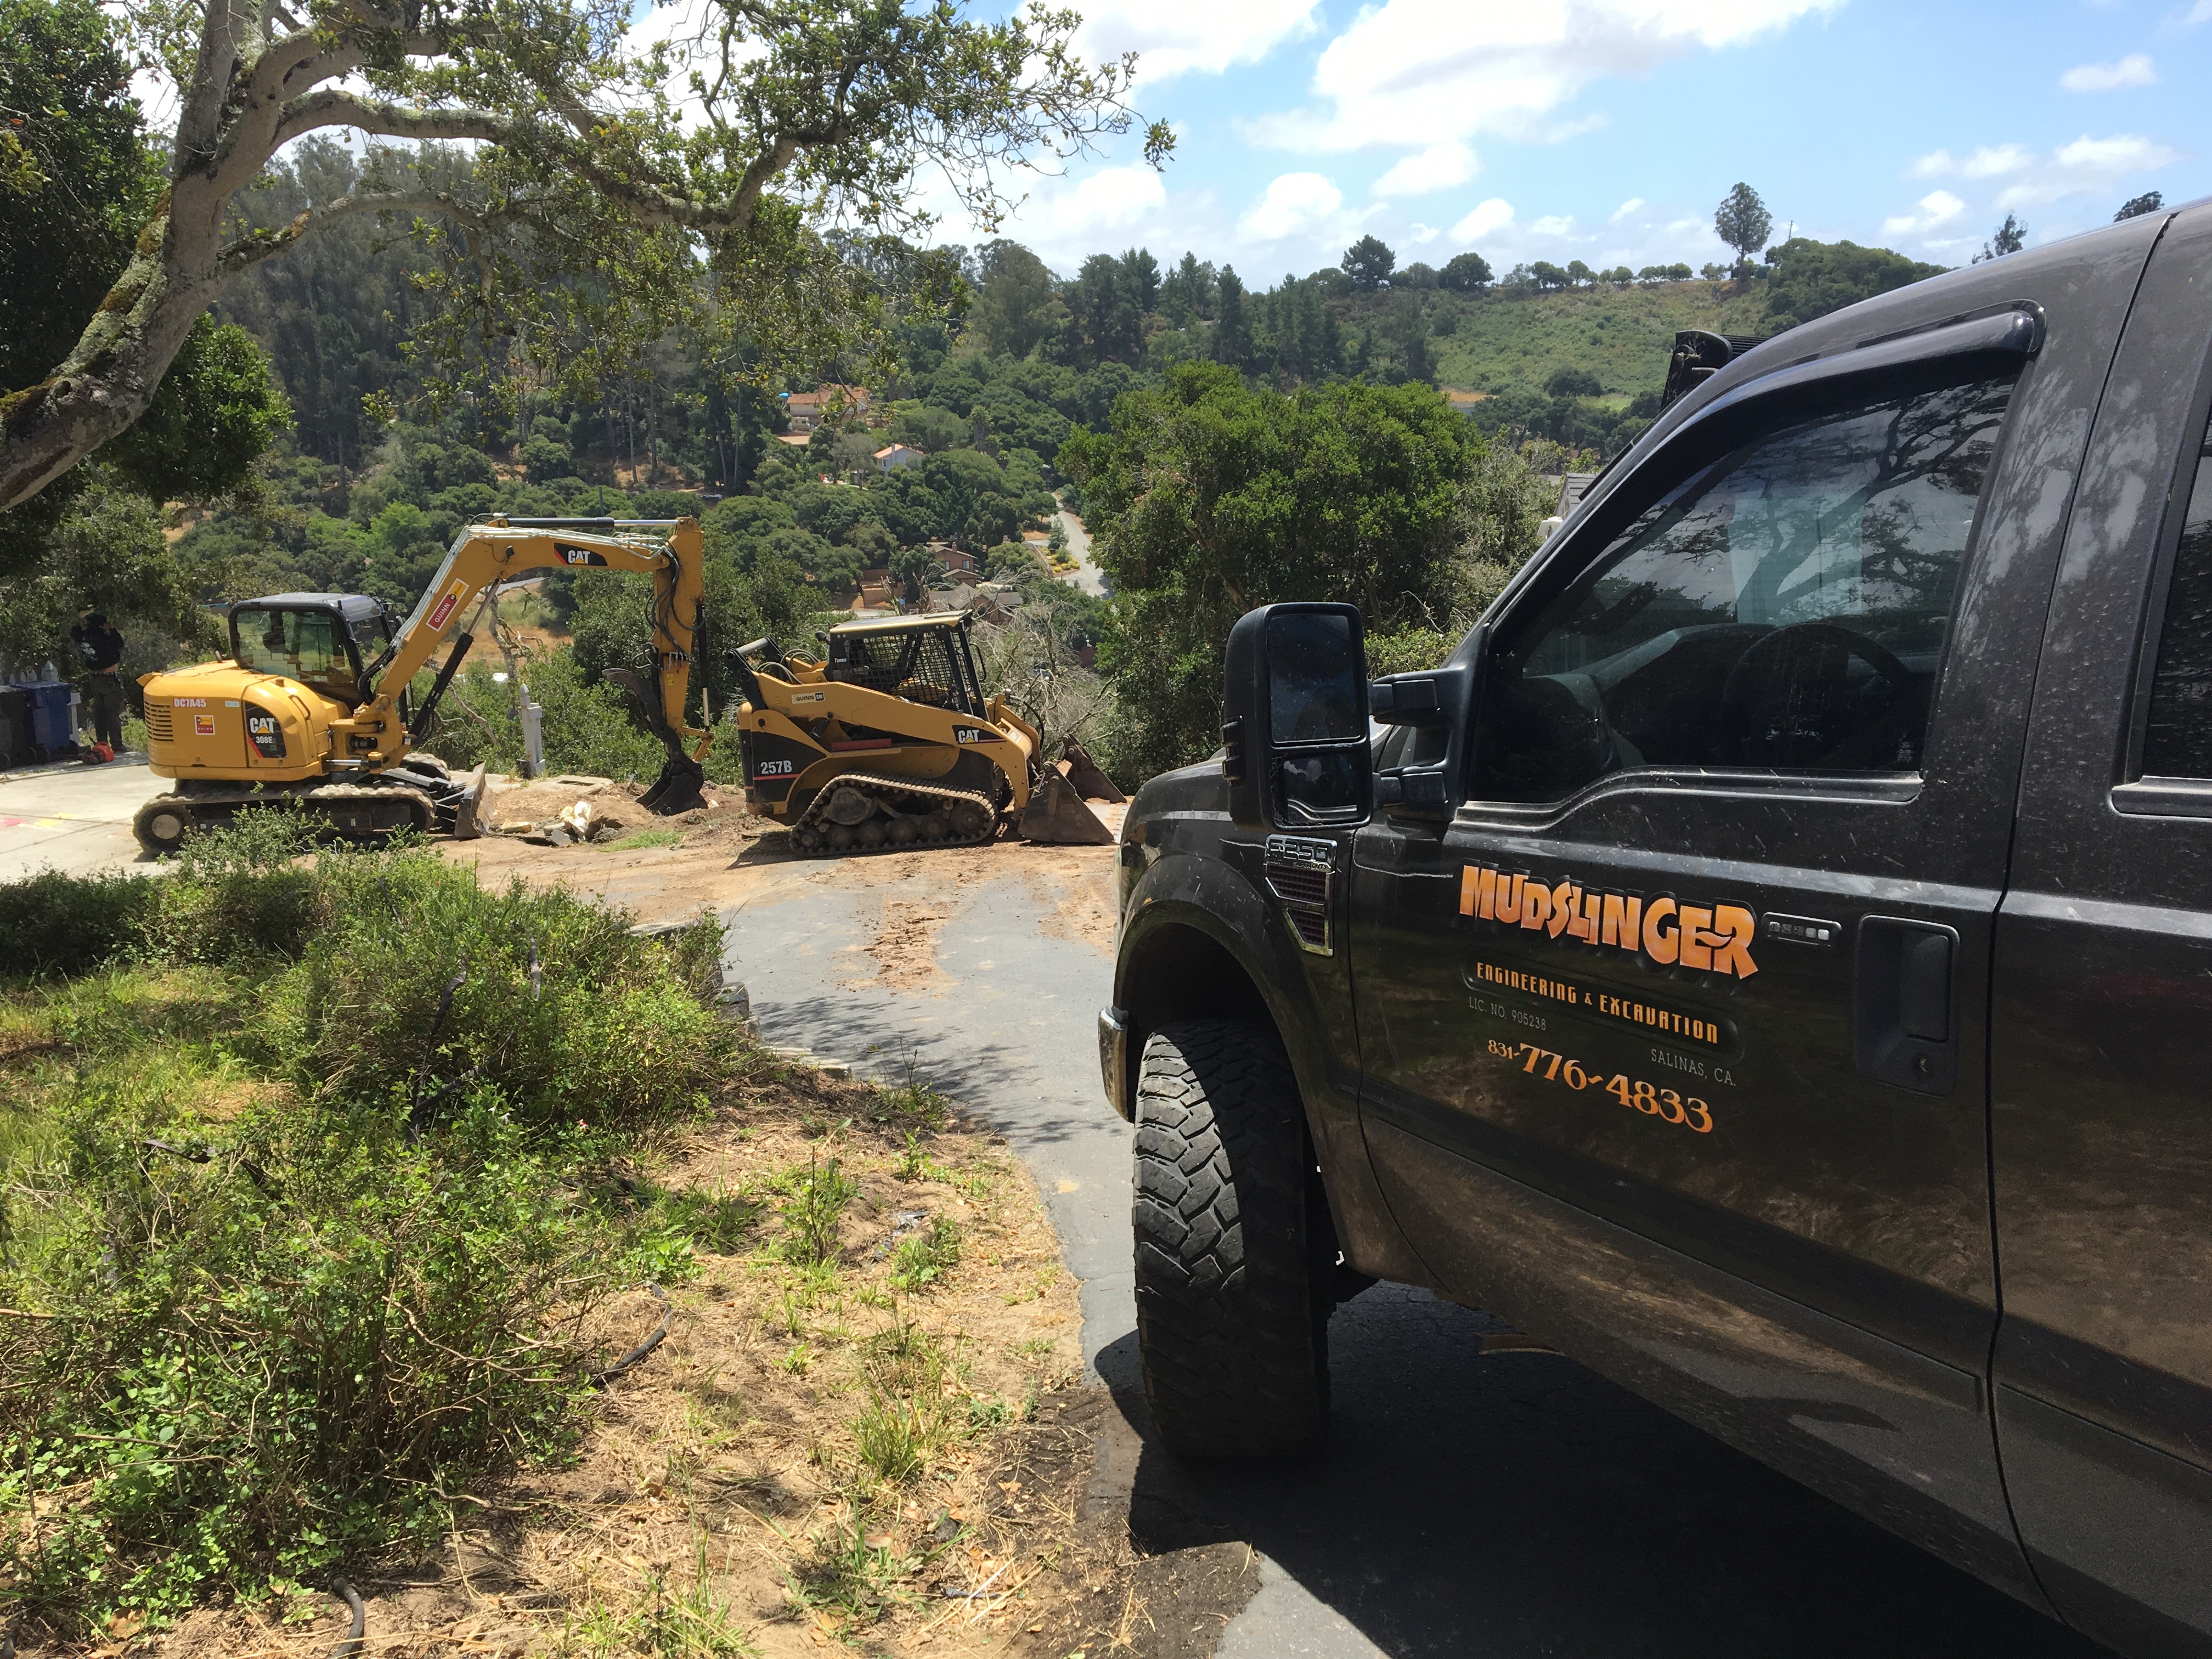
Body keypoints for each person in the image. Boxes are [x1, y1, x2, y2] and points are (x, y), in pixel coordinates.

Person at [70, 611, 126, 759]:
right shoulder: (104, 637)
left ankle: (102, 744)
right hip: (109, 678)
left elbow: (74, 632)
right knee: (112, 714)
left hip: (95, 679)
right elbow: (119, 644)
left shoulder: (83, 637)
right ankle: (117, 745)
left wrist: (80, 621)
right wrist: (111, 630)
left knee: (100, 714)